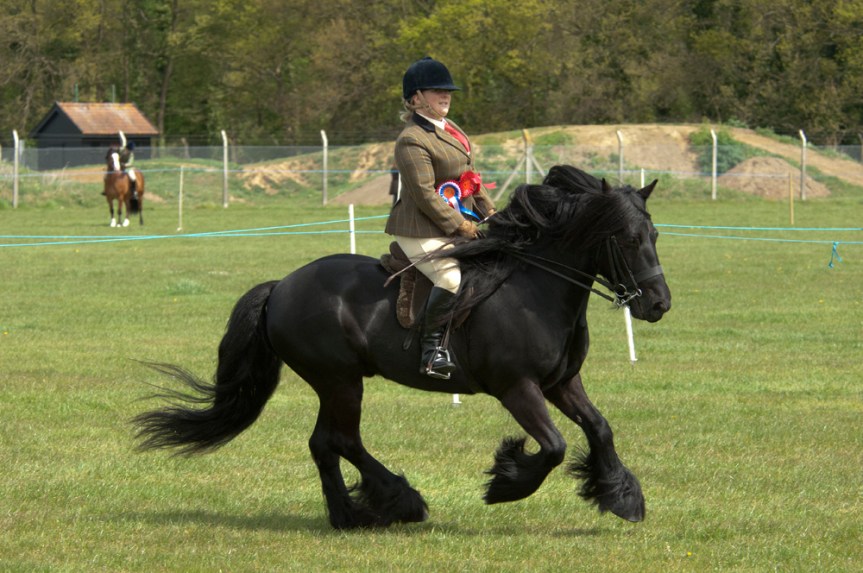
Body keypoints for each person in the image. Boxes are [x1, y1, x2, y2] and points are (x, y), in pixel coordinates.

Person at [385, 56, 496, 380]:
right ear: (416, 98)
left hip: (455, 220)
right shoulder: (411, 139)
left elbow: (470, 180)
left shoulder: (453, 130)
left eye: (447, 91)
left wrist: (492, 213)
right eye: (437, 91)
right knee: (449, 278)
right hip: (420, 228)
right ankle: (432, 352)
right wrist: (460, 224)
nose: (445, 95)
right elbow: (423, 193)